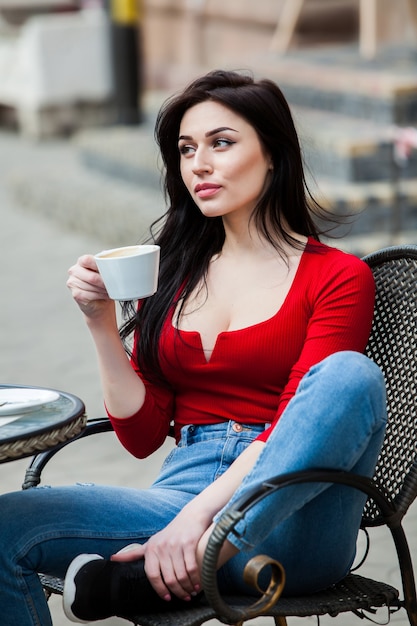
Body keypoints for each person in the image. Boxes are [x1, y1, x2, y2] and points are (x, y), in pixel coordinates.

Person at [0, 69, 387, 626]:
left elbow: (296, 425)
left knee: (350, 374)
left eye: (221, 143)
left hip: (293, 514)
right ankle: (161, 574)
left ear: (274, 153)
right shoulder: (176, 273)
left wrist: (199, 523)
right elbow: (140, 437)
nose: (198, 164)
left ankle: (191, 559)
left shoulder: (338, 277)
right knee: (8, 524)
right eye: (186, 149)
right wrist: (101, 323)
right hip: (179, 493)